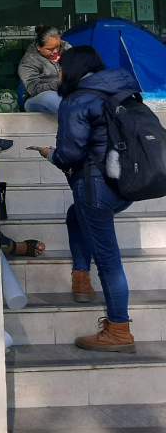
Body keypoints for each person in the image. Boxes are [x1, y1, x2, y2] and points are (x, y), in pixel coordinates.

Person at [35, 46, 138, 352]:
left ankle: (119, 329)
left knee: (109, 260)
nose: (60, 74)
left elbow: (71, 154)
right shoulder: (122, 92)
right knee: (73, 215)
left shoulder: (77, 100)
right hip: (124, 184)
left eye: (62, 68)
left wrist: (50, 154)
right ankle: (81, 277)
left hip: (95, 188)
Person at [18, 25, 71, 114]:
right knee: (50, 98)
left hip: (68, 93)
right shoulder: (28, 62)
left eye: (57, 46)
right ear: (39, 47)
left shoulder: (67, 49)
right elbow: (34, 89)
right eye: (50, 49)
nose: (55, 51)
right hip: (38, 98)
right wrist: (60, 84)